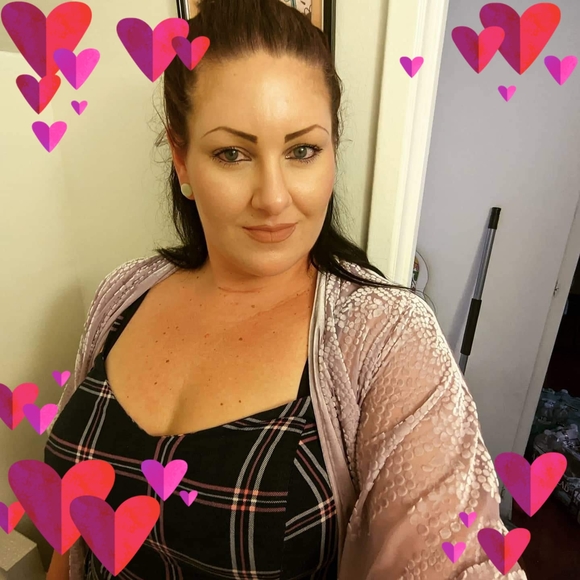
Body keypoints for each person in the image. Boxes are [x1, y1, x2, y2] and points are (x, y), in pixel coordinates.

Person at [44, 0, 527, 578]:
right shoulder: (120, 295)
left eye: (302, 150)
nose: (273, 197)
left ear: (333, 152)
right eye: (232, 153)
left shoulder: (387, 339)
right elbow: (70, 538)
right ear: (182, 160)